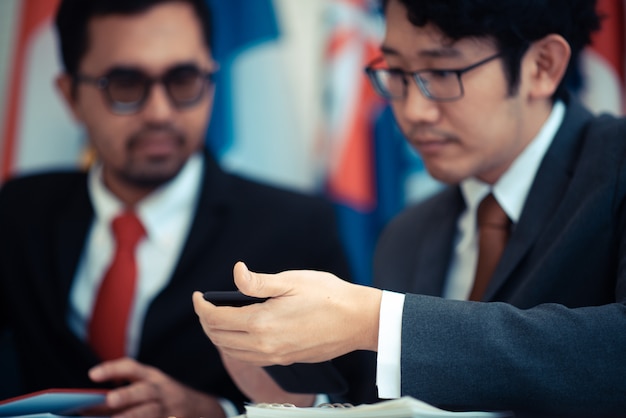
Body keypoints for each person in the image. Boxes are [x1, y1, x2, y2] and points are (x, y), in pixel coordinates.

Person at [193, 0, 626, 416]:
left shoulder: (616, 165)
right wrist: (302, 400)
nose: (412, 110)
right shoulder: (407, 235)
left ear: (542, 66)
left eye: (442, 72)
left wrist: (376, 322)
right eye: (397, 72)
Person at [0, 0, 377, 416]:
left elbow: (351, 404)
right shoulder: (18, 213)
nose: (160, 113)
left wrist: (215, 412)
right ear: (71, 95)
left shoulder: (294, 227)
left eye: (183, 79)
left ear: (212, 81)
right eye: (126, 84)